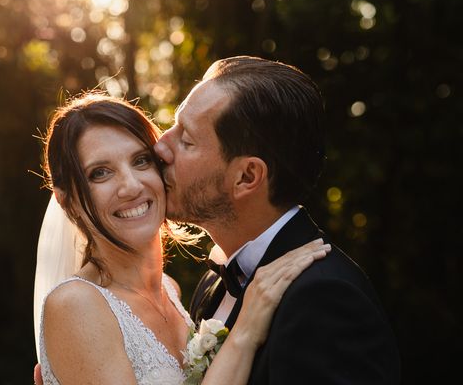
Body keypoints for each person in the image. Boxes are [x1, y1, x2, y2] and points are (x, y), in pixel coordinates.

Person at [34, 93, 331, 384]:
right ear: (67, 201)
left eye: (140, 160)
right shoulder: (75, 305)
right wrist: (245, 333)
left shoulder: (171, 291)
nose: (131, 186)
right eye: (100, 173)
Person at [153, 55, 401, 383]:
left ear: (247, 176)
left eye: (186, 140)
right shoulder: (215, 282)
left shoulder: (324, 301)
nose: (160, 147)